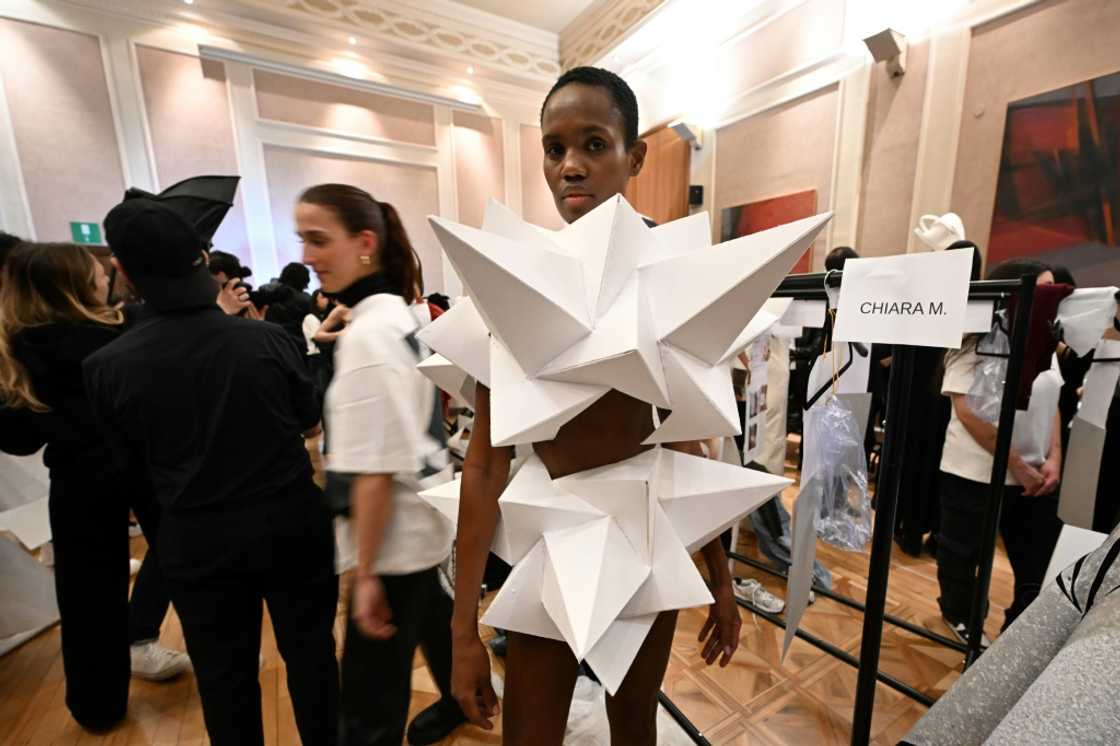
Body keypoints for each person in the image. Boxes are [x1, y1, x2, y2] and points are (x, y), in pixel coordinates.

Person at [449, 66, 742, 746]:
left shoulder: (670, 281)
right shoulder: (516, 283)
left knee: (634, 727)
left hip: (644, 535)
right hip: (554, 536)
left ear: (633, 155)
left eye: (593, 144)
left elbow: (690, 445)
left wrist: (720, 580)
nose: (570, 166)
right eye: (555, 149)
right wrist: (463, 627)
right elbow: (486, 463)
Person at [83, 192, 339, 746]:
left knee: (224, 679)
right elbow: (307, 417)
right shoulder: (268, 339)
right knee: (313, 655)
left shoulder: (106, 368)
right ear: (200, 259)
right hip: (291, 521)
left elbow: (131, 469)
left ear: (123, 270)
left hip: (196, 536)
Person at [298, 183, 465, 746]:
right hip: (421, 522)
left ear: (365, 242)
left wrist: (364, 573)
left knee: (369, 709)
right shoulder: (396, 313)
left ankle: (463, 697)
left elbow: (372, 469)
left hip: (393, 540)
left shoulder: (370, 334)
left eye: (318, 240)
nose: (306, 256)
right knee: (433, 624)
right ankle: (465, 697)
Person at [0, 241, 187, 731]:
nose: (107, 276)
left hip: (77, 480)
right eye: (98, 272)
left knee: (85, 600)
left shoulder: (16, 346)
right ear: (77, 283)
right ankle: (219, 668)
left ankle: (96, 706)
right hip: (150, 471)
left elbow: (18, 440)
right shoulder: (126, 332)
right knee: (189, 569)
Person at [935, 258, 1063, 643]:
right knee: (963, 554)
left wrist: (1054, 455)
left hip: (1035, 474)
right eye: (1044, 290)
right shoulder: (973, 340)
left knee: (1035, 560)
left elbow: (1052, 397)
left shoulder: (1043, 341)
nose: (1054, 299)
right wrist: (1016, 464)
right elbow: (968, 411)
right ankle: (961, 618)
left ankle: (1018, 633)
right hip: (975, 472)